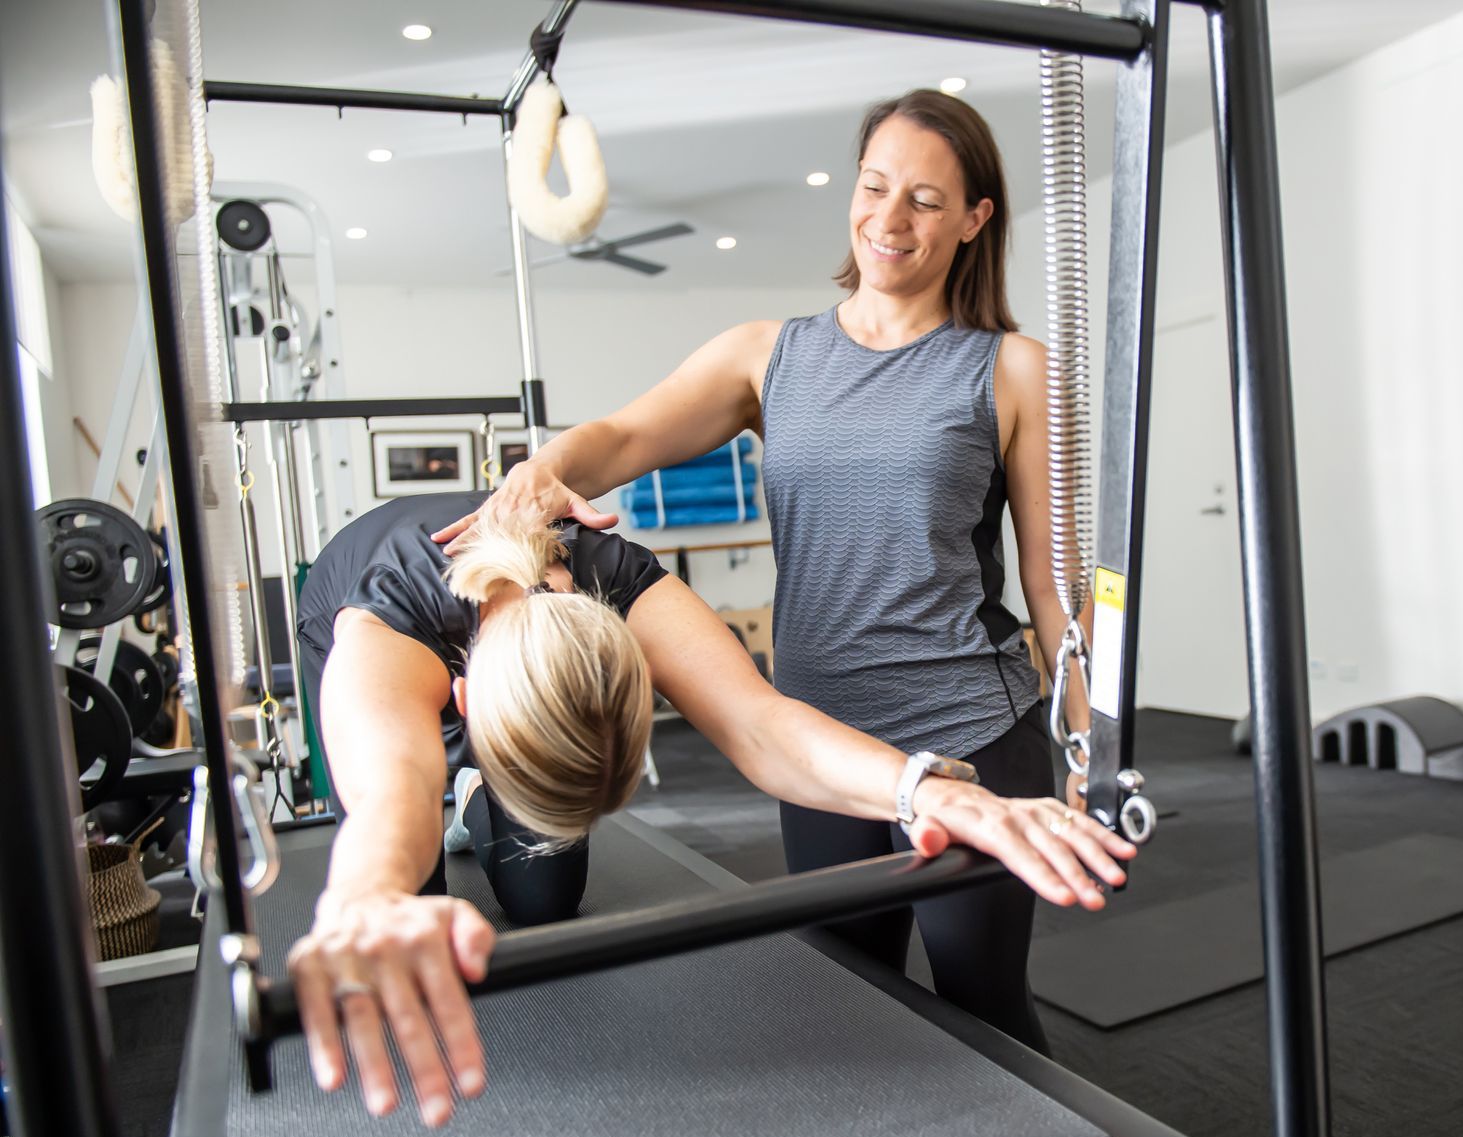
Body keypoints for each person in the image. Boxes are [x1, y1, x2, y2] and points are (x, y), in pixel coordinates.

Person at [438, 89, 1090, 1054]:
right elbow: (625, 433)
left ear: (974, 219)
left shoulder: (1011, 370)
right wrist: (547, 469)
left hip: (972, 731)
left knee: (982, 1001)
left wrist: (1089, 746)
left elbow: (1054, 588)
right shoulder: (769, 358)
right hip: (817, 740)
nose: (889, 218)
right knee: (851, 1001)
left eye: (924, 199)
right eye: (874, 187)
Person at [291, 489, 1132, 1129]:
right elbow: (389, 797)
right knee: (416, 926)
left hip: (514, 677)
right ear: (465, 701)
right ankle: (475, 794)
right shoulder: (384, 630)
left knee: (545, 897)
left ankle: (484, 794)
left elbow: (762, 726)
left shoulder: (615, 578)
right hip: (355, 618)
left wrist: (932, 789)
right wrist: (365, 901)